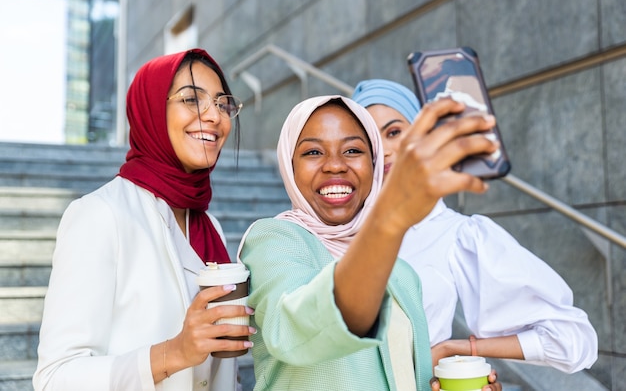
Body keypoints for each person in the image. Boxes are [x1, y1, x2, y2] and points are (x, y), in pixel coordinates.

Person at [238, 94, 503, 390]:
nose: (335, 166)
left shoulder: (401, 274)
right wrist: (389, 218)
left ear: (374, 164)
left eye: (352, 150)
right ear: (289, 165)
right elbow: (294, 327)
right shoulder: (274, 240)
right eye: (313, 153)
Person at [33, 49, 255, 391]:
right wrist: (174, 353)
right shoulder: (100, 215)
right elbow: (55, 378)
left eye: (223, 103)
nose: (214, 116)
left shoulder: (208, 226)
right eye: (192, 99)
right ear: (151, 109)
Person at [352, 78, 598, 373]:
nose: (385, 151)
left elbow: (572, 341)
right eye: (367, 142)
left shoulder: (457, 236)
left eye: (394, 132)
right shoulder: (330, 231)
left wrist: (457, 349)